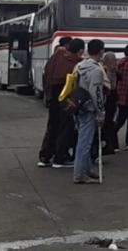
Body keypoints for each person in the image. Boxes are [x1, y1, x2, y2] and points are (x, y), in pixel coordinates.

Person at [38, 37, 83, 169]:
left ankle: (45, 157)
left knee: (52, 126)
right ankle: (60, 158)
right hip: (66, 98)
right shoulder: (74, 63)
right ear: (79, 51)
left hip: (52, 96)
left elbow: (46, 74)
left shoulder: (55, 58)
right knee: (66, 127)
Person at [73, 39, 106, 184]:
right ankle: (80, 174)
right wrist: (101, 112)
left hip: (78, 106)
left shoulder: (79, 65)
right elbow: (97, 93)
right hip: (90, 108)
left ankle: (85, 169)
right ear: (101, 51)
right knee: (85, 142)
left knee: (83, 139)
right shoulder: (96, 70)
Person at [100, 52, 119, 154]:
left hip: (107, 101)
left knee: (106, 123)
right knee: (110, 122)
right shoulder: (116, 72)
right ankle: (113, 144)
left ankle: (109, 144)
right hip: (113, 100)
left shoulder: (103, 71)